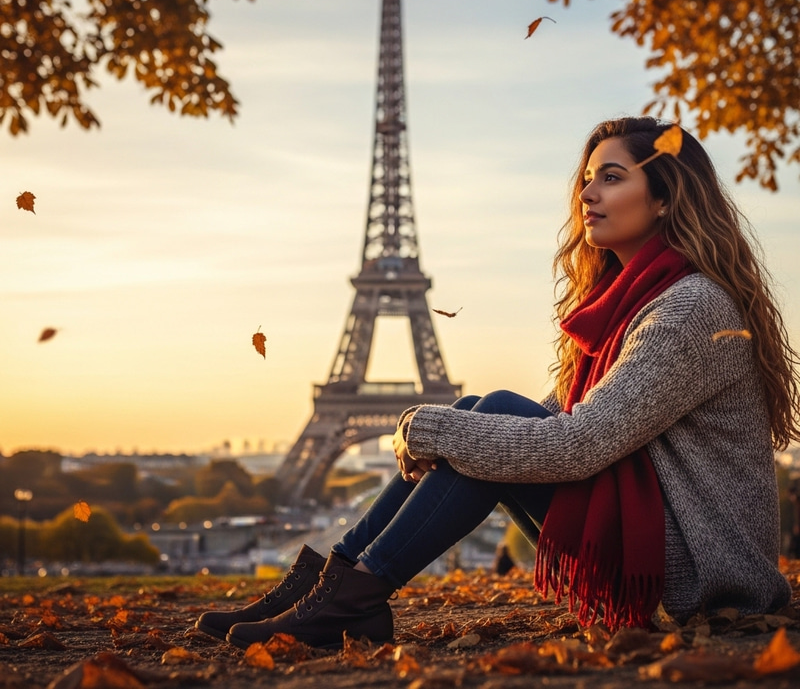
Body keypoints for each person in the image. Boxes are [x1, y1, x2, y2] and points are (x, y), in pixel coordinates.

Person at [196, 116, 799, 649]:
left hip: (700, 572)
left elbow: (577, 444)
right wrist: (455, 425)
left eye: (612, 177)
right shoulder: (637, 302)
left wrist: (433, 427)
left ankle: (351, 597)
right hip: (658, 546)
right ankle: (336, 584)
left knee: (485, 419)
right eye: (587, 178)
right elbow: (555, 417)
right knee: (485, 414)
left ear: (665, 199)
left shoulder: (689, 308)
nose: (587, 193)